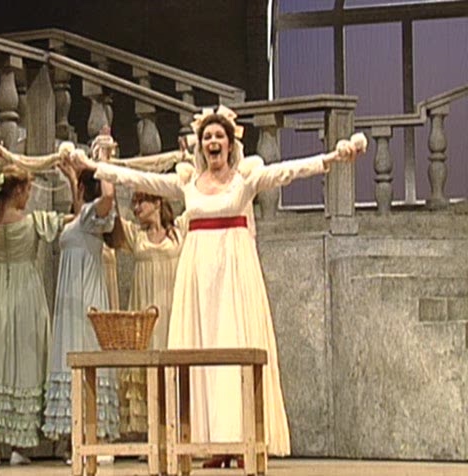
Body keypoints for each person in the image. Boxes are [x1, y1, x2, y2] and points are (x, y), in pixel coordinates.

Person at [70, 105, 365, 466]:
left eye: (219, 136)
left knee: (233, 348)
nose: (213, 141)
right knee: (202, 351)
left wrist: (332, 158)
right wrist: (94, 166)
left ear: (229, 144)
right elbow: (140, 179)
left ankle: (240, 438)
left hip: (233, 273)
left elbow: (286, 171)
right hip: (198, 276)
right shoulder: (188, 183)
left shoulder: (244, 179)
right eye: (207, 136)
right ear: (201, 145)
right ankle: (212, 441)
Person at [0, 148, 73, 465]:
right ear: (18, 190)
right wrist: (74, 180)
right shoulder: (34, 222)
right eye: (28, 190)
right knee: (24, 361)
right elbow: (77, 218)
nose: (29, 196)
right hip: (25, 294)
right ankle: (20, 446)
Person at [41, 152, 120, 461]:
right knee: (72, 355)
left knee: (86, 350)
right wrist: (73, 178)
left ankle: (96, 437)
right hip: (70, 298)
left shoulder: (92, 216)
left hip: (85, 297)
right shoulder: (83, 218)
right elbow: (79, 210)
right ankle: (79, 436)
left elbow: (109, 197)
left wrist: (102, 164)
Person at [116, 191, 185, 435]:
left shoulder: (179, 231)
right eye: (133, 202)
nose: (136, 207)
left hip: (172, 309)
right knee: (145, 363)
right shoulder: (136, 234)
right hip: (144, 310)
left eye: (141, 202)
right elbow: (111, 214)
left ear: (157, 202)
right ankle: (152, 434)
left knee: (173, 362)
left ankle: (176, 430)